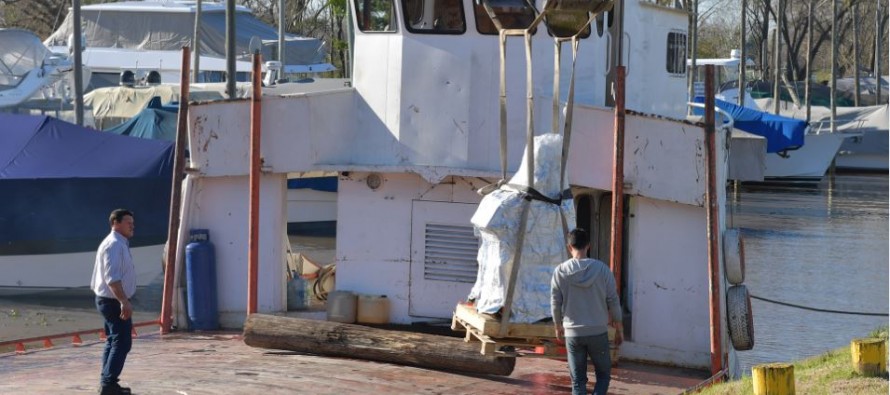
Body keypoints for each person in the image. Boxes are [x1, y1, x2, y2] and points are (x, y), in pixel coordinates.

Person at [551, 228, 623, 395]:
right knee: (604, 376)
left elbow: (555, 302)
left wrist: (557, 326)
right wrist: (619, 328)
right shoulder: (603, 270)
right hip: (598, 331)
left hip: (573, 333)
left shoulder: (560, 271)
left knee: (578, 381)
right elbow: (613, 300)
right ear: (588, 246)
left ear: (569, 247)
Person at [91, 209, 137, 395]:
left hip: (111, 300)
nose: (132, 226)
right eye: (128, 222)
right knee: (122, 342)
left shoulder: (120, 244)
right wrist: (124, 302)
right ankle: (108, 384)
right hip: (112, 301)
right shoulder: (114, 245)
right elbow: (112, 279)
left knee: (114, 341)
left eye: (133, 223)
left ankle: (107, 382)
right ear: (115, 223)